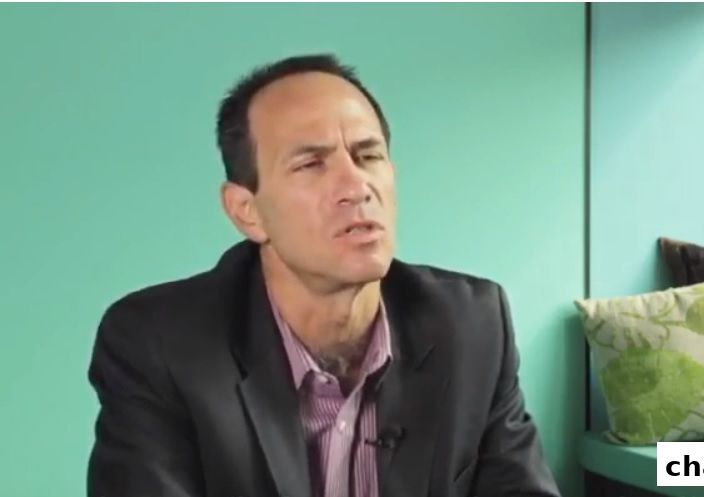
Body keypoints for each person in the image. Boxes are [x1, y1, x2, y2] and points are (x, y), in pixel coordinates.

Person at [86, 53, 560, 497]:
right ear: (247, 212)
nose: (356, 186)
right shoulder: (158, 345)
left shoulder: (471, 326)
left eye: (368, 156)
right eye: (311, 164)